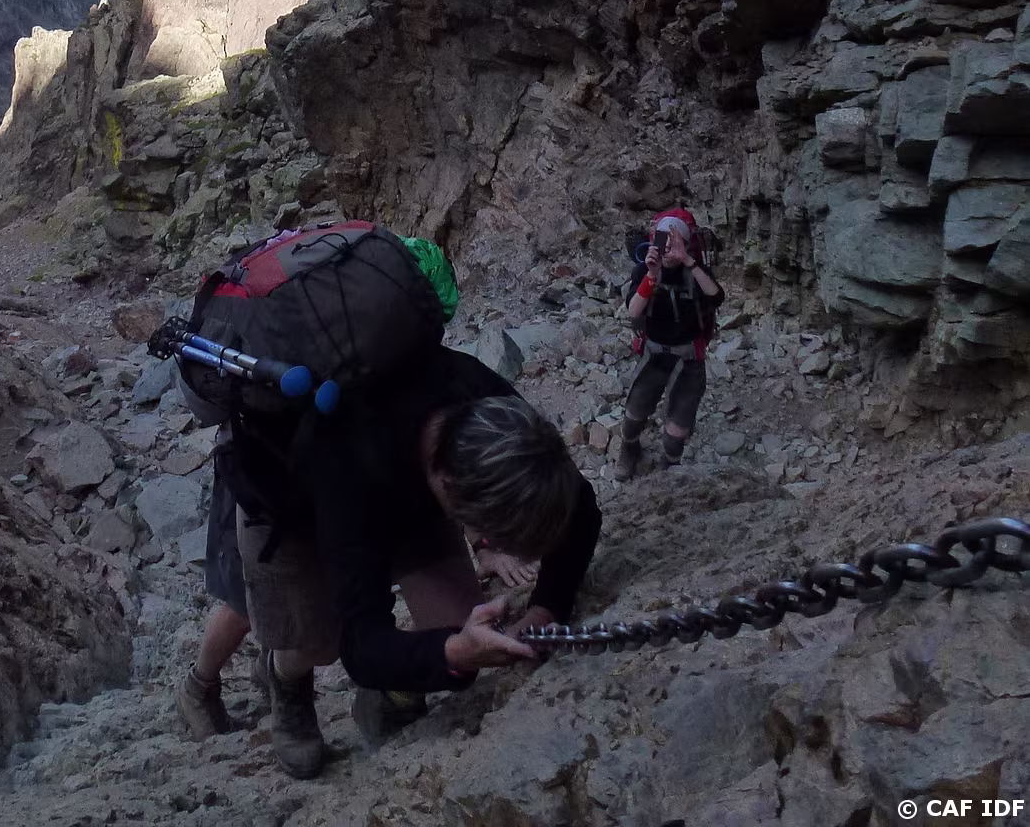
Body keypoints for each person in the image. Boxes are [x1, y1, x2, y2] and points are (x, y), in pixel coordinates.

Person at [220, 345, 601, 780]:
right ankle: (285, 677)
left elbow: (580, 509)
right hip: (293, 497)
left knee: (452, 629)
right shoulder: (347, 467)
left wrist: (544, 609)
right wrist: (455, 651)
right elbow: (360, 645)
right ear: (451, 491)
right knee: (318, 641)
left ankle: (391, 694)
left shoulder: (495, 417)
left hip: (408, 480)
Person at [616, 213, 723, 481]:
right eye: (662, 240)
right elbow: (633, 310)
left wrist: (688, 261)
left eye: (673, 242)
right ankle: (629, 447)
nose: (667, 249)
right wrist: (652, 275)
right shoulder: (644, 270)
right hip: (654, 352)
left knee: (678, 429)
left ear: (685, 244)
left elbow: (716, 296)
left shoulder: (695, 273)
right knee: (634, 412)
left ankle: (669, 467)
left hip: (689, 357)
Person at [174, 431, 252, 738]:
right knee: (248, 594)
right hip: (254, 459)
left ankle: (275, 672)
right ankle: (197, 687)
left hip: (285, 454)